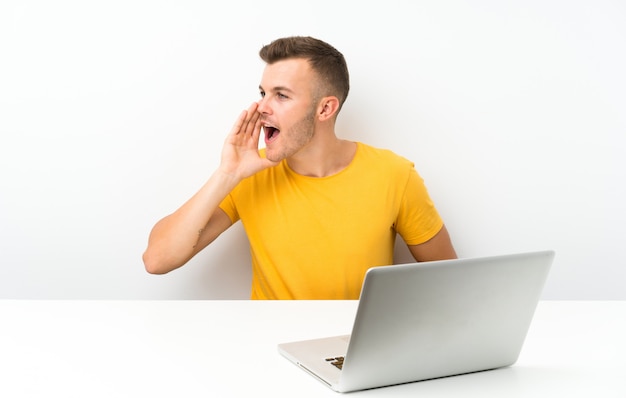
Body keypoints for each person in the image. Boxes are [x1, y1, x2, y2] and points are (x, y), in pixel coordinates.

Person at [143, 36, 457, 299]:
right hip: (268, 349)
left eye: (281, 95)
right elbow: (157, 260)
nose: (262, 107)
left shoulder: (394, 175)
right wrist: (227, 174)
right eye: (263, 93)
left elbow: (451, 282)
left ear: (325, 108)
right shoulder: (250, 174)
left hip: (351, 351)